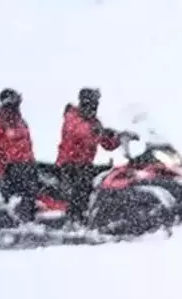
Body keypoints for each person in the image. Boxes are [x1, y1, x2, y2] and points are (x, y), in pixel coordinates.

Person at [56, 87, 131, 224]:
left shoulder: (94, 122)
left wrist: (120, 138)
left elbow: (107, 144)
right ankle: (75, 219)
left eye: (96, 103)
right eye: (91, 103)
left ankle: (102, 214)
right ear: (84, 102)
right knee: (81, 186)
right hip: (70, 164)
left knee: (110, 177)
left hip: (85, 164)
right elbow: (79, 132)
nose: (94, 107)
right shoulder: (73, 117)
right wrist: (100, 132)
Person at [0, 88, 38, 222]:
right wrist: (0, 172)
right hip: (9, 170)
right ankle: (8, 231)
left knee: (28, 201)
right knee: (8, 205)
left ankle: (27, 225)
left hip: (25, 168)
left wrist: (30, 164)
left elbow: (26, 145)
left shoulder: (19, 122)